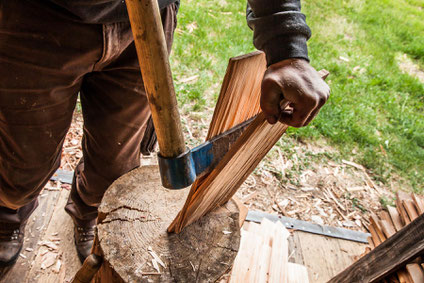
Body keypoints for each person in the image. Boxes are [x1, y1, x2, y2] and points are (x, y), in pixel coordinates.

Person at [0, 0, 329, 266]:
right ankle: (8, 216)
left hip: (146, 22)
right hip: (35, 15)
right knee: (21, 168)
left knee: (114, 167)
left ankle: (91, 212)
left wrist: (286, 46)